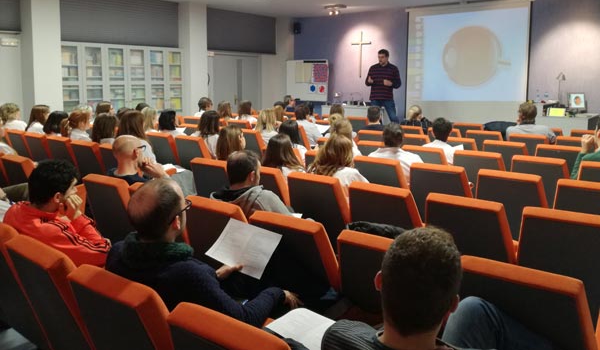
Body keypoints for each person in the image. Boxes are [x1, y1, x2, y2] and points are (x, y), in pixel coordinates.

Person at [106, 178, 300, 327]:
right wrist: (277, 293)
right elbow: (244, 319)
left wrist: (213, 275)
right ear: (176, 222)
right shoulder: (187, 273)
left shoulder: (117, 252)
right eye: (185, 207)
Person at [322, 226, 555, 350]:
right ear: (451, 305)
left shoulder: (337, 336)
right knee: (474, 308)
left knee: (474, 309)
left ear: (379, 282)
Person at [3, 159, 110, 266]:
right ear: (57, 197)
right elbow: (103, 253)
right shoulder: (52, 231)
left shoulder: (14, 210)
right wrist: (77, 216)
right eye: (72, 187)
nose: (76, 191)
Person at [211, 150, 292, 218]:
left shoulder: (215, 202)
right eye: (259, 172)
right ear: (252, 176)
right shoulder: (265, 198)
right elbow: (291, 223)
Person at [365, 49, 401, 123]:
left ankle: (397, 132)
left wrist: (391, 84)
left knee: (393, 117)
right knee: (374, 119)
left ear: (387, 57)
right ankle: (378, 132)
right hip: (375, 97)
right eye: (379, 57)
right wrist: (369, 82)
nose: (380, 59)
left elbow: (398, 84)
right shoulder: (373, 68)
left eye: (382, 57)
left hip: (387, 98)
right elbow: (367, 82)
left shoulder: (393, 69)